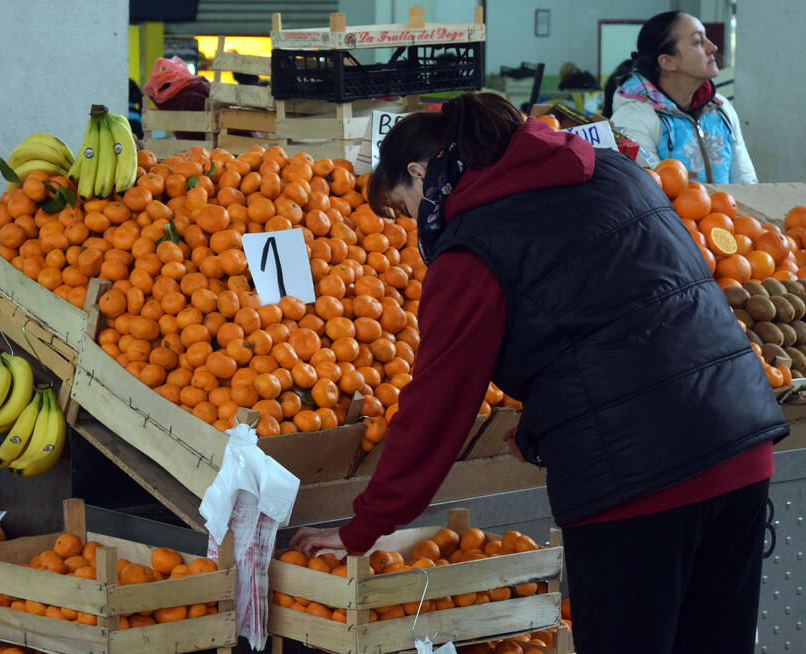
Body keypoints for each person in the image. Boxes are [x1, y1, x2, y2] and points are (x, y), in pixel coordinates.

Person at [289, 92, 787, 654]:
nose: (413, 229)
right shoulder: (613, 171)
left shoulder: (471, 247)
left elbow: (435, 408)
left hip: (638, 480)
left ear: (421, 172)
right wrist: (546, 426)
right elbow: (635, 311)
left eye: (406, 209)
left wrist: (363, 527)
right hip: (740, 441)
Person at [608, 11, 756, 183]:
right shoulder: (632, 119)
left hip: (727, 209)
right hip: (680, 210)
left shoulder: (721, 108)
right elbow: (652, 194)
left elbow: (746, 182)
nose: (713, 48)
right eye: (698, 42)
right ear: (668, 62)